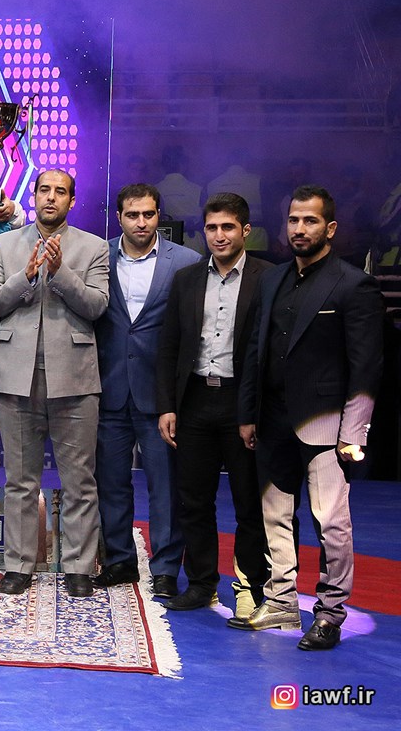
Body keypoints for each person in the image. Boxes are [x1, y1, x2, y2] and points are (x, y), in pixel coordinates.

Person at [234, 186, 384, 650]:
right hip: (272, 419)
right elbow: (256, 351)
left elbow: (366, 367)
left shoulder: (353, 284)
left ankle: (330, 613)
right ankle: (281, 601)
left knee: (330, 523)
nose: (299, 229)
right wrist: (248, 414)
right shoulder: (273, 279)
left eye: (310, 221)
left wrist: (353, 431)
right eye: (294, 220)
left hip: (326, 424)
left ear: (330, 228)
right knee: (275, 516)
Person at [0, 169, 108, 598]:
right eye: (44, 190)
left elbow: (96, 306)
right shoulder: (3, 245)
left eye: (60, 192)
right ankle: (18, 565)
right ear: (33, 196)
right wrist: (27, 276)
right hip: (16, 375)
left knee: (79, 481)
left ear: (72, 200)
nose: (51, 198)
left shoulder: (93, 247)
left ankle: (78, 567)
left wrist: (60, 272)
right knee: (20, 479)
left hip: (74, 377)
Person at [156, 193, 271, 619]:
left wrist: (254, 411)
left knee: (248, 502)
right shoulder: (186, 279)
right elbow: (168, 346)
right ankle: (202, 584)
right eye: (211, 228)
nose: (219, 236)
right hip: (194, 400)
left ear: (245, 230)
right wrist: (167, 405)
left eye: (227, 227)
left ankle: (251, 587)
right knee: (194, 500)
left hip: (243, 401)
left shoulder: (268, 278)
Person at [93, 184, 201, 598]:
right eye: (133, 215)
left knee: (165, 486)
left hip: (161, 396)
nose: (141, 223)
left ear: (159, 216)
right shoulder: (97, 256)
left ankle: (166, 568)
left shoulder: (186, 261)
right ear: (119, 217)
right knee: (111, 482)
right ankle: (120, 560)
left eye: (149, 215)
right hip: (109, 387)